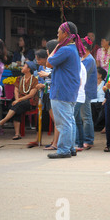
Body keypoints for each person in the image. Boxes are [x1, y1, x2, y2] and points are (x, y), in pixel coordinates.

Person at [46, 21, 85, 159]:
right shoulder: (73, 48)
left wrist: (55, 47)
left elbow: (48, 63)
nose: (57, 35)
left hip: (61, 90)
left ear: (65, 34)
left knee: (64, 122)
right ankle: (70, 147)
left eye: (59, 32)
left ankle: (63, 150)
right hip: (69, 90)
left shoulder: (65, 49)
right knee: (69, 120)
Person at [0, 61, 38, 140]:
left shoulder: (34, 80)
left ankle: (3, 121)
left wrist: (18, 100)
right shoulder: (19, 79)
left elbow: (31, 95)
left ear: (28, 69)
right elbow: (16, 90)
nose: (22, 67)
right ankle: (17, 134)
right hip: (19, 101)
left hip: (29, 101)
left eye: (24, 66)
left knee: (17, 106)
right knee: (16, 107)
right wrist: (17, 99)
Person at [74, 36, 97, 150]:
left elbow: (80, 74)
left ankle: (89, 140)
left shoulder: (89, 60)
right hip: (81, 91)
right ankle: (81, 140)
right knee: (79, 117)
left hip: (86, 91)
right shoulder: (84, 59)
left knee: (86, 116)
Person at [91, 67, 107, 131]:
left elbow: (107, 94)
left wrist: (105, 100)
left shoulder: (105, 83)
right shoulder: (92, 83)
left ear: (100, 75)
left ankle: (101, 126)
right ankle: (94, 126)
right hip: (93, 101)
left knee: (104, 107)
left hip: (102, 101)